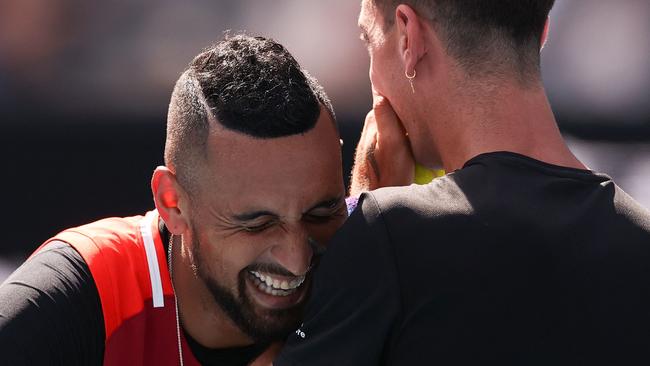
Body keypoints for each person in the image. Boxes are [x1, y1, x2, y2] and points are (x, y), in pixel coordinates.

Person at [275, 1, 650, 365]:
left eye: (368, 38)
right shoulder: (641, 239)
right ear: (541, 35)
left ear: (408, 37)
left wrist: (361, 208)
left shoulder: (387, 235)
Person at [0, 34, 348, 365]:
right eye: (257, 224)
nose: (297, 259)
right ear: (171, 203)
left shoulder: (364, 267)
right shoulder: (86, 294)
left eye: (321, 212)